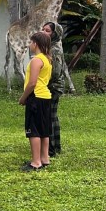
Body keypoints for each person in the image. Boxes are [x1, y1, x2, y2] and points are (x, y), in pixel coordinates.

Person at [18, 31, 53, 171]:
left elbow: (32, 83)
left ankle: (36, 162)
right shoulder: (47, 59)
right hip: (45, 97)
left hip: (36, 97)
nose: (29, 45)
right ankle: (45, 158)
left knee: (34, 130)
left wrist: (23, 97)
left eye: (31, 42)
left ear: (35, 44)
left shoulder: (36, 60)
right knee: (44, 130)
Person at [42, 22, 65, 157]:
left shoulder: (54, 49)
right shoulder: (49, 47)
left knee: (49, 116)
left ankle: (51, 148)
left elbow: (55, 72)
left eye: (47, 31)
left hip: (53, 87)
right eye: (43, 29)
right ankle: (55, 146)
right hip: (52, 86)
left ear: (55, 34)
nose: (44, 32)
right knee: (52, 116)